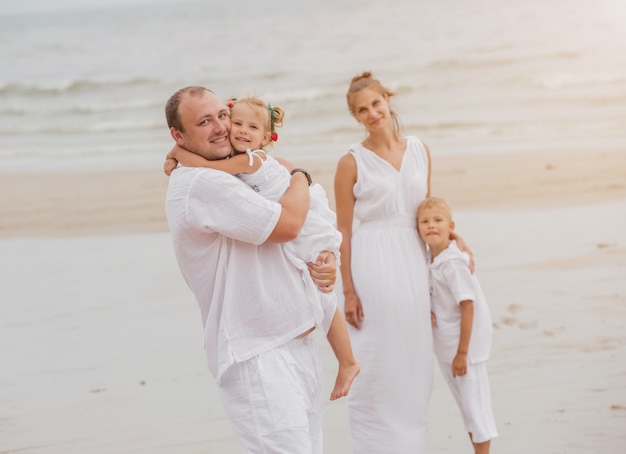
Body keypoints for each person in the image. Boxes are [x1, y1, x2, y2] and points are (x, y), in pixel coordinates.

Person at [164, 86, 337, 453]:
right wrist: (302, 178)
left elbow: (292, 215)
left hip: (292, 341)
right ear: (178, 135)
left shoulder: (228, 171)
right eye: (203, 122)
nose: (220, 128)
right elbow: (288, 223)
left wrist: (324, 257)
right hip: (256, 355)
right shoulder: (201, 183)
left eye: (221, 116)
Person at [334, 71, 471, 453]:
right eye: (363, 110)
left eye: (376, 104)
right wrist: (348, 289)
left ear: (388, 100)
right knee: (377, 354)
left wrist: (453, 238)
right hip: (372, 261)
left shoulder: (419, 149)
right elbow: (342, 230)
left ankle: (410, 443)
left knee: (414, 356)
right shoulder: (351, 162)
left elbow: (426, 213)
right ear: (356, 116)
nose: (372, 113)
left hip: (412, 259)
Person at [417, 197, 497, 453]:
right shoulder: (434, 258)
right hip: (449, 349)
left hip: (464, 351)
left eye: (438, 221)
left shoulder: (452, 262)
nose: (431, 226)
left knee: (476, 409)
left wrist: (463, 353)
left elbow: (467, 305)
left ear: (451, 226)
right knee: (467, 409)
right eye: (425, 222)